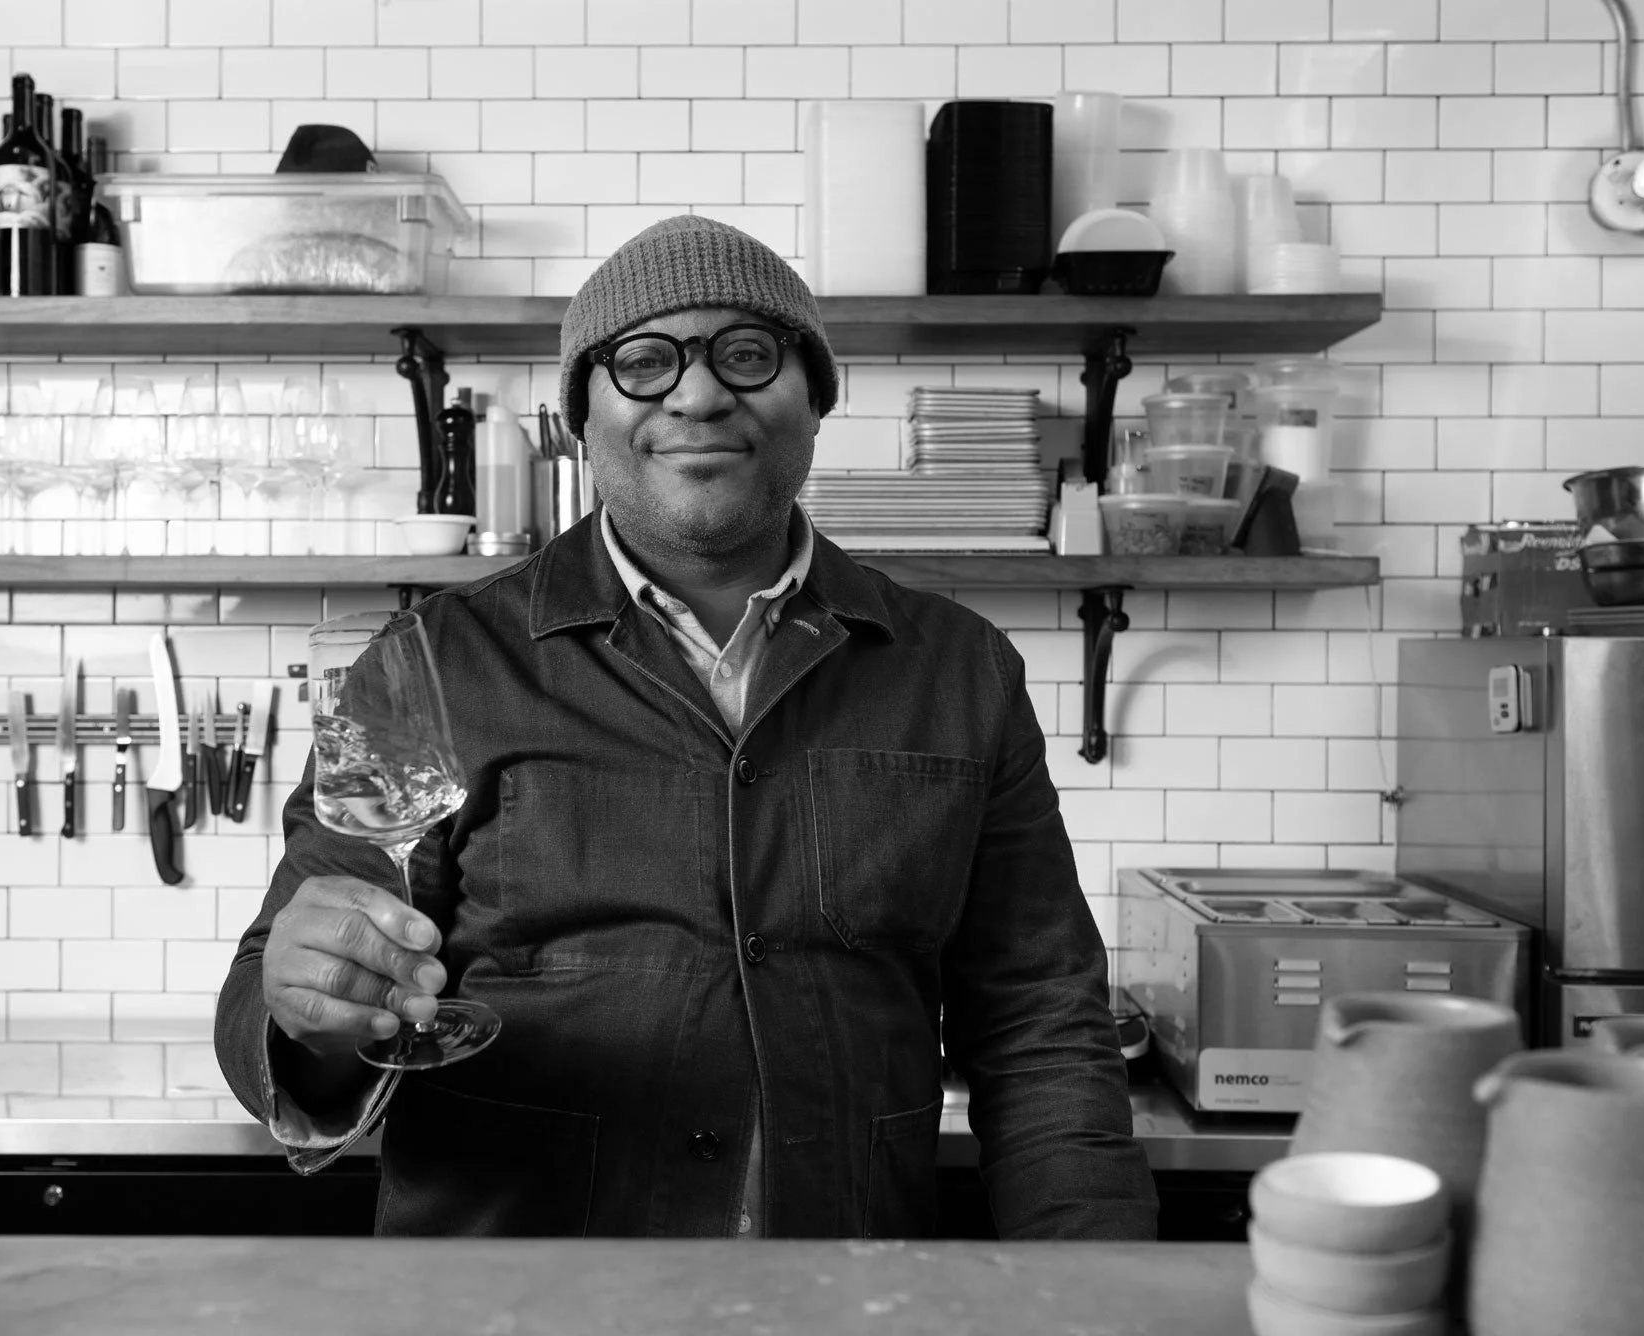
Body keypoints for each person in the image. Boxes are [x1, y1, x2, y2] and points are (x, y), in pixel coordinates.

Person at [216, 215, 1158, 1240]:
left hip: (841, 1297)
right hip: (511, 1310)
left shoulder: (960, 670)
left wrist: (1095, 1289)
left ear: (815, 402)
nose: (699, 394)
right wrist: (311, 1009)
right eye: (643, 360)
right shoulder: (429, 662)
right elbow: (271, 1010)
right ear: (581, 412)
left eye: (747, 354)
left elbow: (1040, 1021)